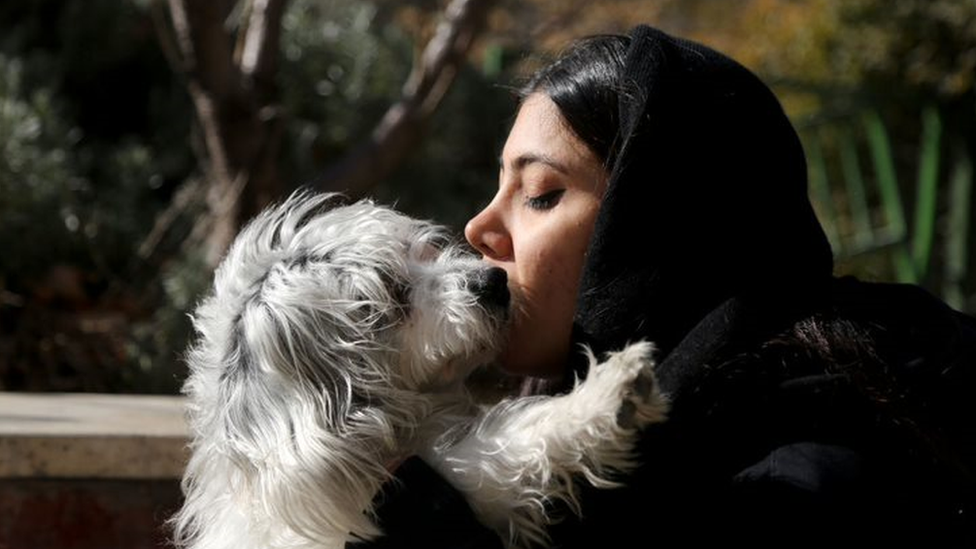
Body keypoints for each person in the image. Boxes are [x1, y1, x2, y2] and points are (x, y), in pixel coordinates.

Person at [351, 25, 976, 548]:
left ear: (657, 224)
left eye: (540, 195)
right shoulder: (596, 463)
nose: (478, 227)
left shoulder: (792, 486)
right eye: (498, 187)